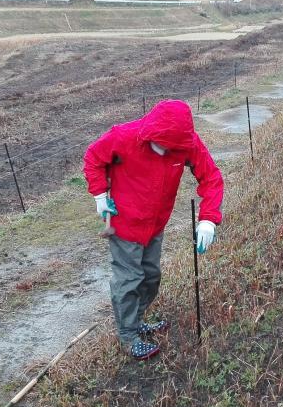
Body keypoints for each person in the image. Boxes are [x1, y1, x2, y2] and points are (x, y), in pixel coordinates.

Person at [83, 100, 224, 360]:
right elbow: (93, 157)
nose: (164, 151)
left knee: (151, 277)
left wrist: (208, 219)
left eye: (170, 148)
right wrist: (100, 195)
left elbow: (211, 177)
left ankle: (136, 321)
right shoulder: (123, 137)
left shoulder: (187, 143)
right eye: (159, 145)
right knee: (129, 279)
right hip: (124, 224)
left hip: (156, 224)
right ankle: (128, 336)